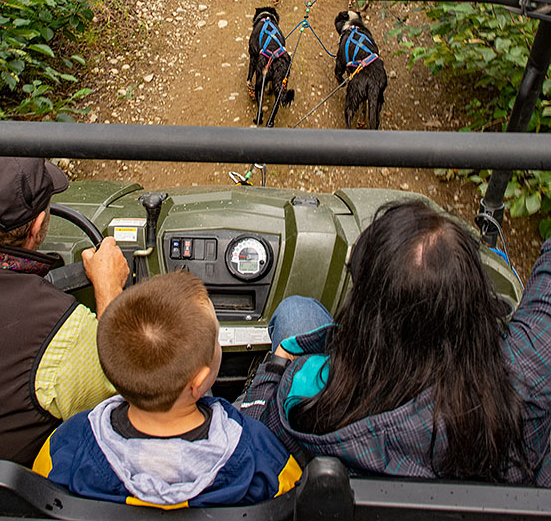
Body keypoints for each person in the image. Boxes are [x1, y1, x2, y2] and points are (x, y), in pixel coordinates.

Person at [240, 199, 551, 486]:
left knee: (296, 311)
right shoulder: (527, 374)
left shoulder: (308, 401)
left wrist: (275, 369)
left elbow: (249, 441)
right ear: (475, 307)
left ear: (367, 319)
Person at [33, 271, 302, 508]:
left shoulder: (65, 444)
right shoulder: (262, 452)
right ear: (200, 381)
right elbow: (292, 496)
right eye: (216, 340)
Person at [0, 155, 129, 466]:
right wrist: (109, 290)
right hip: (1, 494)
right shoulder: (63, 331)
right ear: (37, 227)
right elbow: (127, 394)